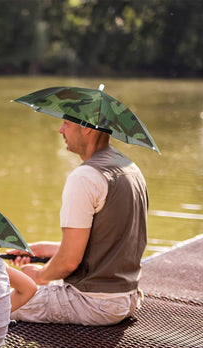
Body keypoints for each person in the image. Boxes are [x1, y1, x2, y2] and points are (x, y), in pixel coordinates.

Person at [8, 119, 148, 326]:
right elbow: (114, 243)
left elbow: (68, 262)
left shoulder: (85, 177)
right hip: (128, 298)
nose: (60, 129)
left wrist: (39, 276)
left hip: (92, 303)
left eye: (66, 123)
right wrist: (44, 249)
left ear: (88, 128)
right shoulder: (129, 168)